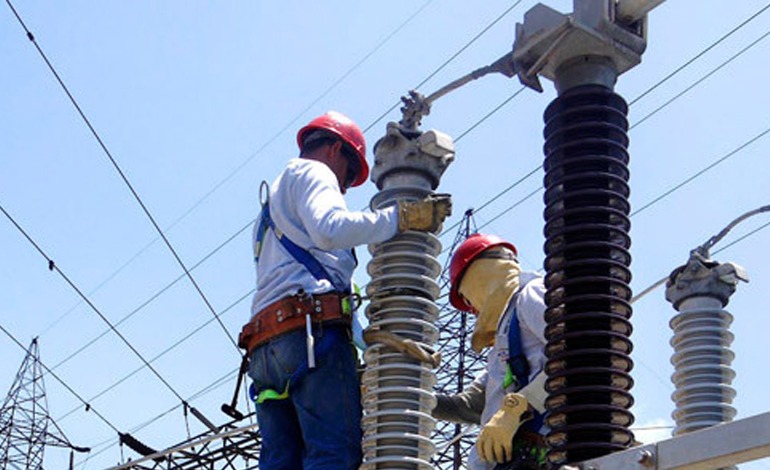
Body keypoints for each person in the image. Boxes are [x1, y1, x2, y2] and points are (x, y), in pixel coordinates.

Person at [238, 111, 451, 470]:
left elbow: (313, 275)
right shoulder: (313, 171)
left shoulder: (271, 209)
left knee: (281, 462)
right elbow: (331, 228)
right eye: (349, 175)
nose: (344, 187)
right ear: (336, 149)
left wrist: (372, 346)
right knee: (333, 457)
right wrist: (400, 218)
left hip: (266, 347)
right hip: (309, 337)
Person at [433, 233, 550, 470]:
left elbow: (580, 354)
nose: (471, 310)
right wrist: (412, 399)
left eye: (467, 298)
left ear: (479, 279)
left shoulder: (531, 294)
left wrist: (518, 408)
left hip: (542, 453)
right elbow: (471, 405)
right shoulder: (504, 339)